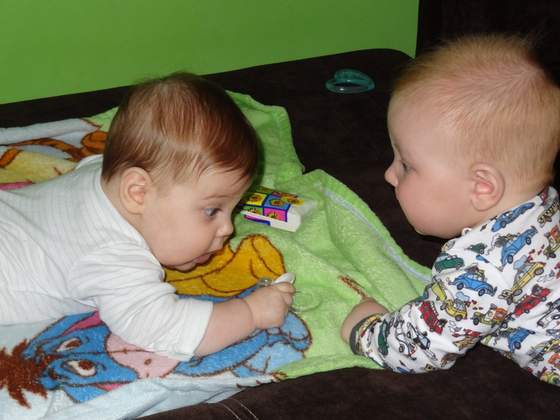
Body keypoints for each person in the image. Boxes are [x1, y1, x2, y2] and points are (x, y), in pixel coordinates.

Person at [0, 72, 294, 360]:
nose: (228, 228)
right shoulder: (114, 258)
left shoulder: (101, 171)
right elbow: (167, 329)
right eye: (211, 210)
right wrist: (251, 313)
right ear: (138, 192)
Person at [341, 34, 560, 385]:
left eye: (406, 165)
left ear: (482, 188)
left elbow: (420, 347)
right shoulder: (546, 204)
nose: (389, 175)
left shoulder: (481, 268)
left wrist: (365, 330)